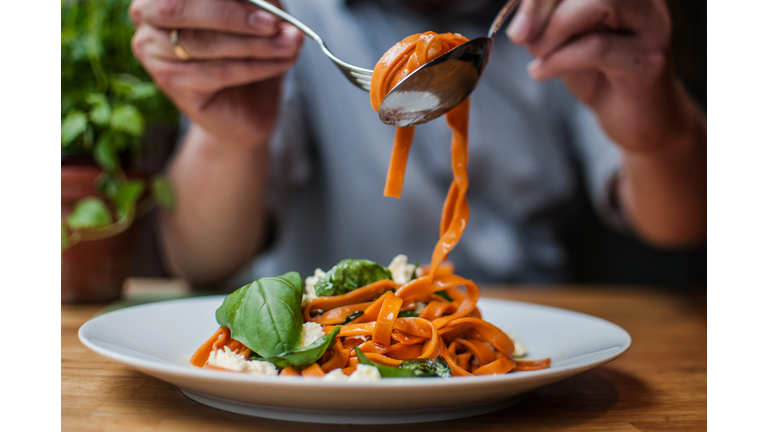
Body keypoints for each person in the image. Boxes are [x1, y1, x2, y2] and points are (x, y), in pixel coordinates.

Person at [128, 0, 706, 286]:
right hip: (321, 353)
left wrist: (660, 130)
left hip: (520, 353)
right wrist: (230, 140)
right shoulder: (283, 16)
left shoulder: (553, 15)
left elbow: (685, 221)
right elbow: (199, 258)